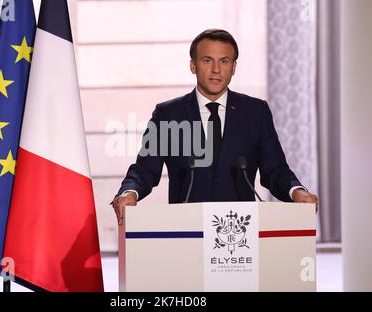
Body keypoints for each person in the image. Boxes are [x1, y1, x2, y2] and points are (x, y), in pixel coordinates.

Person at [112, 29, 318, 225]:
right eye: (207, 60)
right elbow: (145, 169)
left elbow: (275, 170)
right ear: (193, 66)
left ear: (234, 67)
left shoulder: (255, 112)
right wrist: (129, 193)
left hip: (238, 233)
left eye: (224, 61)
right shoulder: (168, 114)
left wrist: (296, 191)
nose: (216, 69)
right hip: (186, 231)